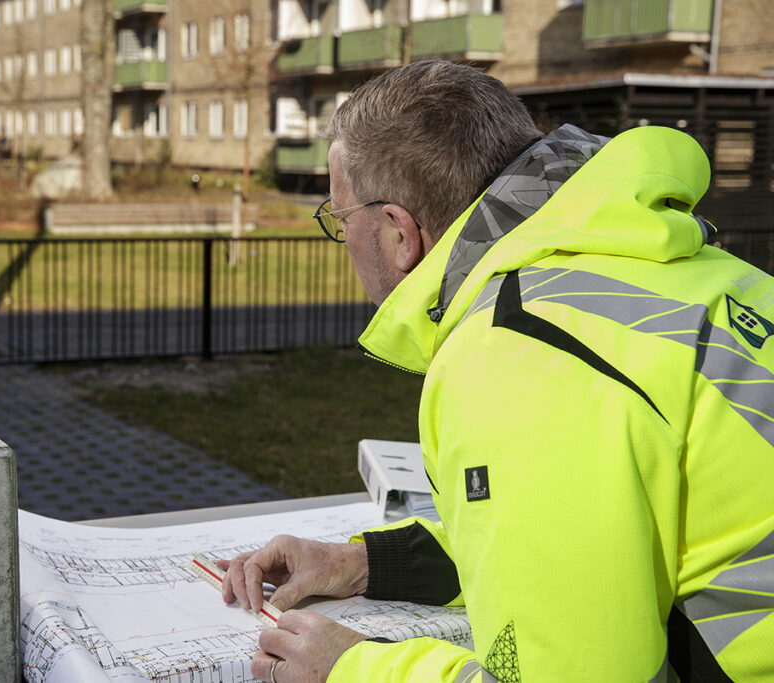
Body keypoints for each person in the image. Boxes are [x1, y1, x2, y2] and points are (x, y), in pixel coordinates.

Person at [219, 60, 774, 682]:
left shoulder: (517, 351)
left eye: (341, 218)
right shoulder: (694, 268)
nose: (343, 237)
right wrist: (362, 563)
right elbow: (570, 541)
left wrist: (353, 670)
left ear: (399, 233)